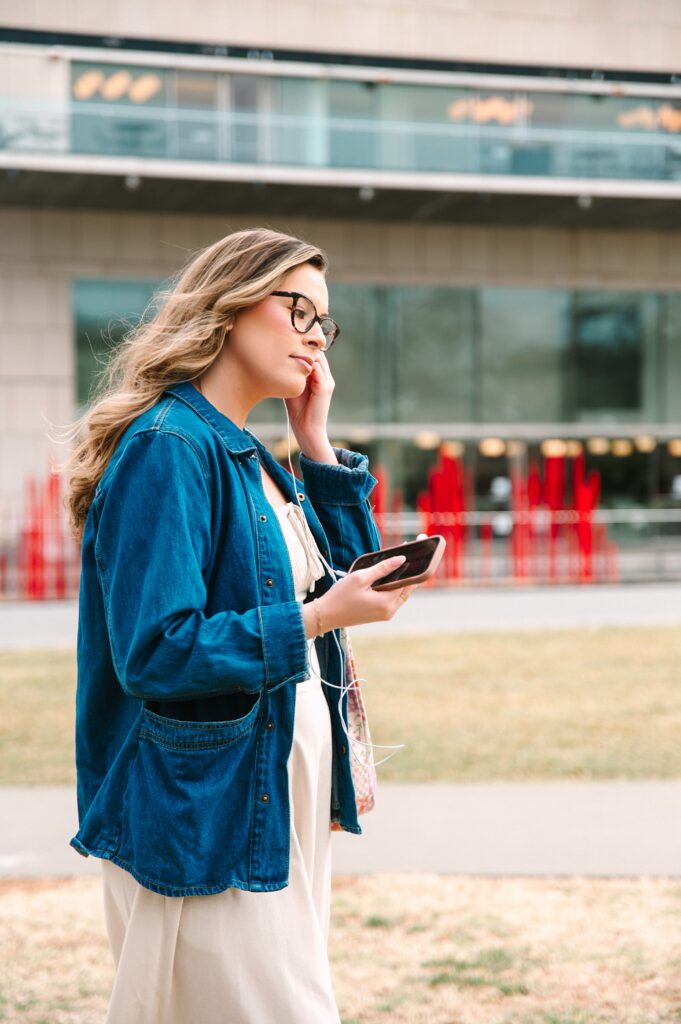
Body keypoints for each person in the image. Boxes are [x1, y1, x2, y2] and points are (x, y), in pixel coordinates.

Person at [60, 227, 417, 1023]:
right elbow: (158, 650)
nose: (316, 338)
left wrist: (315, 441)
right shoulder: (168, 448)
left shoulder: (246, 455)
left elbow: (344, 580)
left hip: (267, 794)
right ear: (230, 307)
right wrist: (321, 614)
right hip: (205, 810)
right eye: (299, 311)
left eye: (325, 322)